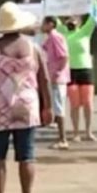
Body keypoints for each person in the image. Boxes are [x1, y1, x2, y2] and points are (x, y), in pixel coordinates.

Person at [0, 2, 52, 193]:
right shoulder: (34, 48)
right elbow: (44, 80)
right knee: (27, 155)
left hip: (0, 106)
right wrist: (47, 106)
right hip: (27, 105)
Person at [58, 4, 97, 142]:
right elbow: (51, 13)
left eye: (75, 18)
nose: (72, 20)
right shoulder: (62, 31)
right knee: (74, 103)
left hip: (85, 70)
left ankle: (88, 131)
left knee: (87, 102)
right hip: (70, 71)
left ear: (80, 21)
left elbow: (95, 14)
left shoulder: (85, 32)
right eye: (69, 18)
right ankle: (76, 132)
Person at [41, 16, 70, 149]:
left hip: (57, 78)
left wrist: (57, 72)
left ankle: (63, 139)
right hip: (54, 76)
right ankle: (60, 138)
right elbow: (44, 48)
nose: (42, 26)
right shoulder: (50, 38)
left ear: (50, 24)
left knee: (59, 108)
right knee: (57, 106)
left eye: (44, 24)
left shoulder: (55, 37)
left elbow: (64, 56)